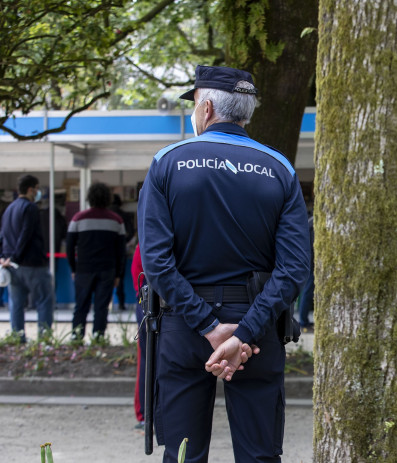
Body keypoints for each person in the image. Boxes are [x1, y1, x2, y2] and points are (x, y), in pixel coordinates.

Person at [138, 65, 310, 462]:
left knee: (182, 453)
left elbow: (157, 262)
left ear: (207, 108)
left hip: (183, 324)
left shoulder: (167, 162)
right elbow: (295, 267)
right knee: (259, 454)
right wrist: (243, 332)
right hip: (258, 326)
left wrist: (210, 328)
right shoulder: (279, 168)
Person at [66, 182, 126, 341]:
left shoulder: (78, 218)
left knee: (81, 306)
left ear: (89, 197)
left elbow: (69, 247)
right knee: (101, 307)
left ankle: (76, 338)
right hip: (107, 270)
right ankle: (98, 338)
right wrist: (119, 274)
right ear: (108, 198)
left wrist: (73, 268)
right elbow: (121, 251)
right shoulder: (117, 220)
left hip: (83, 270)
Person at [0, 175, 54, 342]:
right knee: (44, 300)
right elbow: (26, 234)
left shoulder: (9, 209)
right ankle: (44, 339)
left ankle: (18, 339)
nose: (38, 192)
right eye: (37, 189)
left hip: (12, 266)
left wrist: (4, 257)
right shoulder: (30, 208)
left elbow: (3, 236)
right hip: (32, 264)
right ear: (31, 189)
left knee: (16, 304)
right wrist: (16, 256)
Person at [109, 194, 135, 310]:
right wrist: (125, 242)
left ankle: (106, 304)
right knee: (120, 277)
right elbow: (131, 231)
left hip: (107, 251)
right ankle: (121, 304)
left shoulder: (106, 214)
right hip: (121, 250)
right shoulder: (124, 215)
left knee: (106, 278)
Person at [131, 242, 146, 429]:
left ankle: (144, 414)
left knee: (146, 361)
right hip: (149, 302)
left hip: (146, 300)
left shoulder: (143, 243)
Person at [298, 213, 314, 329]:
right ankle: (303, 321)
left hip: (308, 260)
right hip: (311, 261)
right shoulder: (314, 223)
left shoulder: (310, 222)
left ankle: (304, 320)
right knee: (308, 290)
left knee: (307, 290)